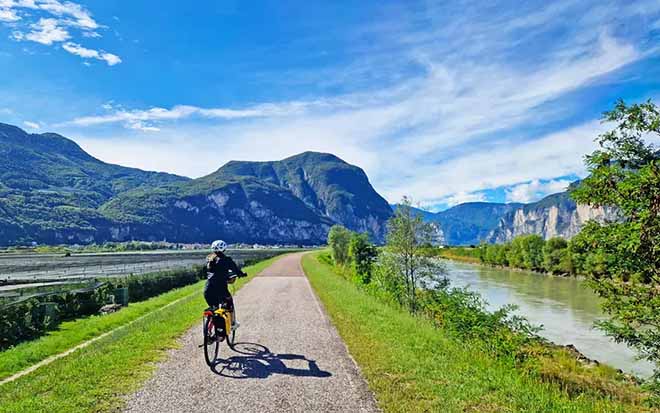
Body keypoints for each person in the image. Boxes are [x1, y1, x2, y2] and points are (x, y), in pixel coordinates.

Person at [204, 240, 247, 328]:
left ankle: (211, 330)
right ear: (224, 249)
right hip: (221, 289)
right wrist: (242, 274)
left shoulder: (209, 258)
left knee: (214, 309)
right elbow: (236, 270)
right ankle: (233, 324)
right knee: (229, 302)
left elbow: (214, 273)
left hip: (208, 289)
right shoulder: (227, 260)